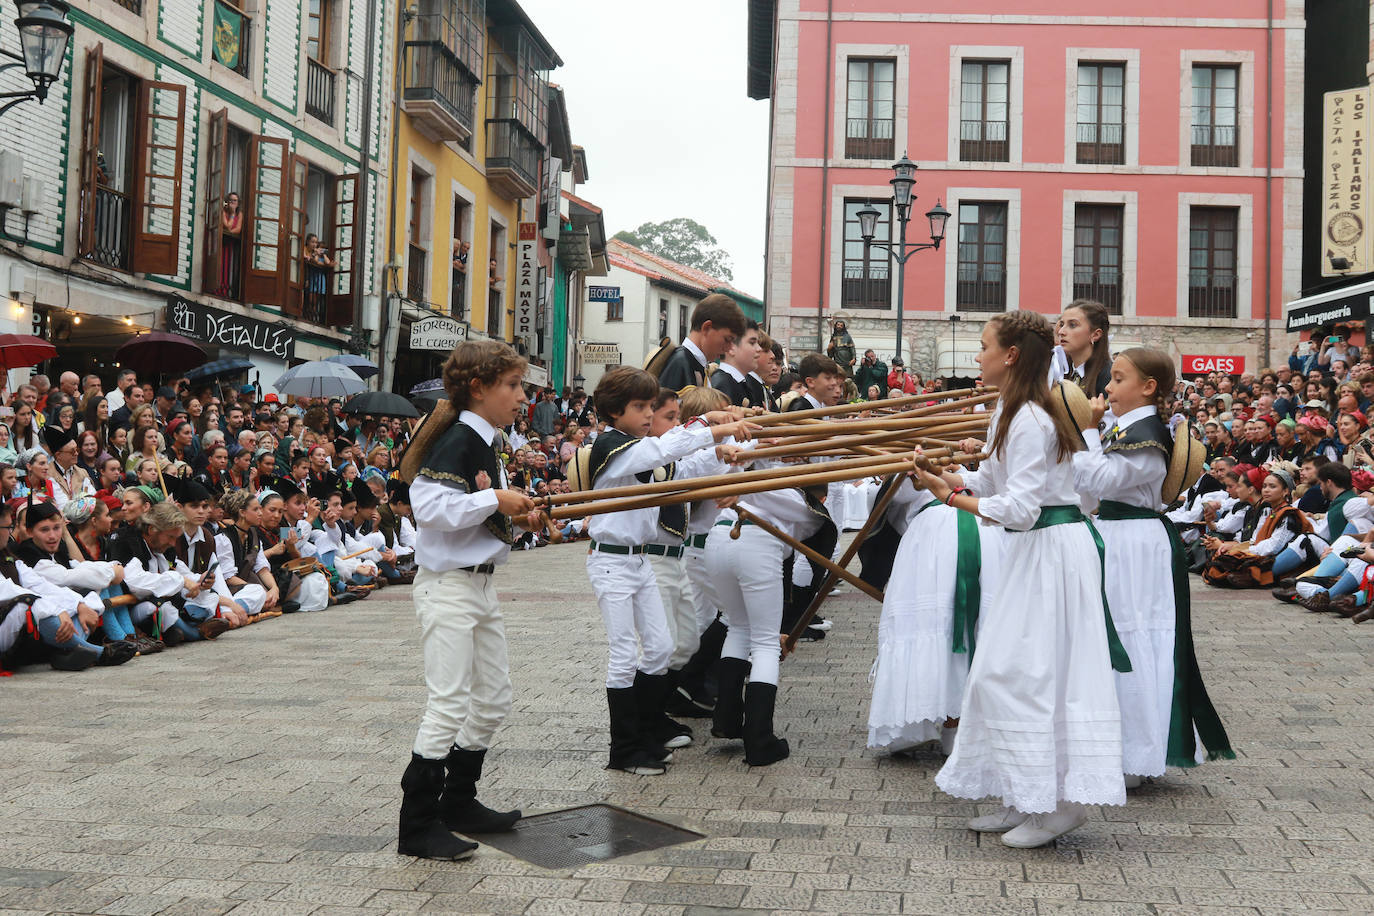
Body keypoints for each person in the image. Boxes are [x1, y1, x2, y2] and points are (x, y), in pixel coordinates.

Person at [914, 310, 1128, 848]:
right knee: (1002, 671)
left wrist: (949, 497)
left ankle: (1058, 807)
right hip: (1031, 554)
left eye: (984, 346)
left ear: (1011, 355)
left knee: (1034, 674)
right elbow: (992, 477)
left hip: (1050, 551)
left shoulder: (1032, 417)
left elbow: (1021, 507)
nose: (977, 355)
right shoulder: (1011, 412)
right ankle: (1023, 793)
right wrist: (943, 474)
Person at [399, 339, 540, 861]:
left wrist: (518, 517)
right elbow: (429, 506)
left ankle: (459, 801)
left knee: (494, 698)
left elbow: (476, 514)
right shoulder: (460, 437)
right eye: (513, 385)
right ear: (478, 389)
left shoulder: (485, 439)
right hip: (448, 585)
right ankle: (416, 826)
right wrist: (496, 499)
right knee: (449, 702)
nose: (522, 395)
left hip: (478, 583)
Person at [1073, 347, 1233, 787]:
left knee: (1133, 636)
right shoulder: (1124, 430)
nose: (1107, 387)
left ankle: (1138, 753)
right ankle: (1120, 746)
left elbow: (1100, 481)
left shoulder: (1148, 435)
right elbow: (1090, 495)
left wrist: (1086, 433)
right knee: (1116, 635)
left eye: (1119, 378)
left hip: (1136, 544)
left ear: (1148, 387)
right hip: (1117, 536)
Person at [584, 366, 754, 776]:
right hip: (611, 561)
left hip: (639, 560)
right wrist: (709, 430)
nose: (647, 415)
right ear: (612, 410)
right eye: (638, 407)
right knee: (624, 656)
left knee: (660, 649)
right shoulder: (612, 446)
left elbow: (680, 471)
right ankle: (623, 749)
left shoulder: (639, 445)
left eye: (648, 407)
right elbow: (662, 452)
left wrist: (716, 452)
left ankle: (645, 731)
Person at [866, 476, 1002, 756]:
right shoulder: (917, 446)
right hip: (973, 531)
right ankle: (937, 725)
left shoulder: (987, 443)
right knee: (949, 626)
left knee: (956, 626)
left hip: (958, 532)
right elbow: (898, 493)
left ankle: (944, 723)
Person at [1200, 467, 1310, 588]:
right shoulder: (1271, 511)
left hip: (1273, 558)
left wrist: (1241, 551)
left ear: (1285, 492)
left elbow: (1273, 547)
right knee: (1221, 561)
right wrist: (1231, 547)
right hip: (1260, 553)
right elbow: (1254, 541)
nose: (1266, 490)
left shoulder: (1288, 514)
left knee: (1229, 564)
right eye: (1264, 486)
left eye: (1272, 487)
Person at [657, 293, 746, 392]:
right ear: (707, 328)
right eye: (727, 339)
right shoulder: (681, 363)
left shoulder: (696, 364)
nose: (729, 349)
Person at [1052, 299, 1113, 399]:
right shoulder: (1059, 372)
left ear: (1095, 334)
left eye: (1072, 325)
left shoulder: (1108, 377)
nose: (1061, 332)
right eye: (1062, 324)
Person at [709, 320, 764, 407]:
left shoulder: (745, 382)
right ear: (731, 347)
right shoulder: (722, 385)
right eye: (752, 342)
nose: (759, 349)